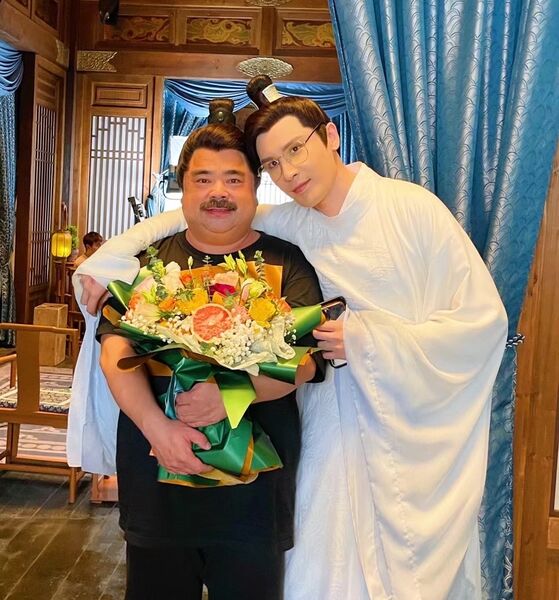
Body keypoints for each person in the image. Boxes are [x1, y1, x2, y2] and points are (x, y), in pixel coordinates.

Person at [72, 80, 508, 600]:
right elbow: (197, 217)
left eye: (295, 149)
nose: (290, 171)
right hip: (309, 437)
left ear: (331, 136)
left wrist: (369, 340)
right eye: (274, 163)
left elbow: (481, 322)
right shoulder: (284, 226)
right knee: (322, 569)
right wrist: (109, 257)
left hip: (391, 426)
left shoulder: (405, 211)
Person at [93, 106, 324, 600]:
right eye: (203, 179)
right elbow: (114, 352)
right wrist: (158, 428)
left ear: (255, 188)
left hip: (255, 495)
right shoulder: (147, 264)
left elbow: (305, 363)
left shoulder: (288, 261)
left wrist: (232, 395)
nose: (219, 192)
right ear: (183, 189)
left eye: (234, 179)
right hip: (158, 486)